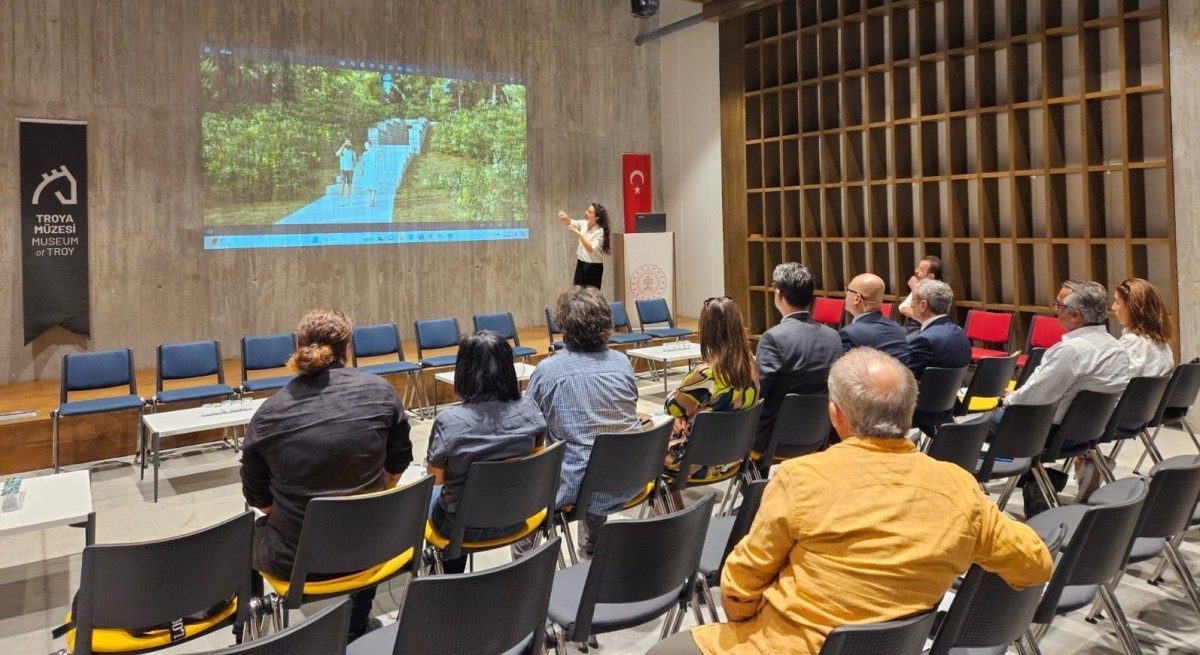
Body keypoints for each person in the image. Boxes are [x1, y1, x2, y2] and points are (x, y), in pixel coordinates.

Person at [648, 348, 1053, 655]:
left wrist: (749, 620)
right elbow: (1035, 564)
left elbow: (740, 581)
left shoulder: (801, 478)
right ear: (909, 413)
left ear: (836, 415)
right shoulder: (960, 487)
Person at [240, 308, 412, 642]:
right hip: (377, 546)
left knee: (246, 535)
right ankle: (356, 627)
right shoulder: (382, 392)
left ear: (299, 347)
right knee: (365, 513)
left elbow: (260, 501)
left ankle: (255, 641)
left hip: (298, 561)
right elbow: (394, 472)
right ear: (349, 350)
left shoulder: (268, 413)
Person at [514, 286, 641, 560]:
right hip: (631, 476)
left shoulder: (548, 370)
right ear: (606, 322)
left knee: (525, 485)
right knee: (598, 446)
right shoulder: (623, 362)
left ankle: (523, 566)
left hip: (576, 486)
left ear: (563, 325)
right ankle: (592, 550)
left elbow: (527, 422)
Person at [997, 281, 1131, 514]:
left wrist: (1008, 400)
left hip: (1052, 435)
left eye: (1058, 305)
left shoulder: (1071, 351)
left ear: (1075, 315)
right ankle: (1039, 489)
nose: (1054, 309)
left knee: (970, 429)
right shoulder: (1116, 348)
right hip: (1090, 433)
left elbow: (1036, 397)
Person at [425, 331, 546, 574]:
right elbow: (536, 461)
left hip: (462, 528)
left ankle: (446, 581)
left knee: (423, 495)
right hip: (518, 518)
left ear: (464, 371)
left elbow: (435, 480)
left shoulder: (449, 421)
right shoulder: (531, 410)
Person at [663, 297, 760, 482]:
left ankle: (675, 510)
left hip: (698, 462)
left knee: (647, 455)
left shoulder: (706, 374)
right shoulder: (752, 366)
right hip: (735, 456)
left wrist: (683, 412)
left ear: (708, 330)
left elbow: (671, 407)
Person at [753, 263, 842, 452]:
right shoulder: (833, 336)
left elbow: (759, 391)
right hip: (820, 435)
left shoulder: (773, 338)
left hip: (774, 438)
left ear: (778, 294)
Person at [906, 279, 972, 436]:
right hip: (947, 406)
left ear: (923, 305)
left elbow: (903, 375)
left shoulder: (926, 340)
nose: (910, 305)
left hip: (924, 409)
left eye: (913, 300)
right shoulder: (958, 332)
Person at [839, 273, 910, 364]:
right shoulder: (896, 328)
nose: (846, 294)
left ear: (857, 298)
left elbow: (843, 371)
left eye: (847, 290)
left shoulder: (848, 334)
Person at [1112, 278, 1173, 377]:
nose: (1113, 307)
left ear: (1133, 308)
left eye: (1117, 302)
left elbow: (1116, 379)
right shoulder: (1161, 342)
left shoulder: (1133, 341)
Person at [558, 204, 611, 288]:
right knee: (577, 290)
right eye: (587, 210)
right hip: (581, 262)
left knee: (591, 294)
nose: (586, 213)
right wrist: (566, 218)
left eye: (590, 212)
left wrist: (579, 233)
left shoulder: (600, 231)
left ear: (597, 217)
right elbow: (571, 222)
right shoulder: (584, 223)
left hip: (593, 267)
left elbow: (591, 248)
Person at [898, 255, 943, 332]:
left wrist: (914, 289)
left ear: (931, 276)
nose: (916, 271)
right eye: (918, 267)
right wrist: (916, 315)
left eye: (921, 270)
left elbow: (925, 317)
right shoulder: (919, 285)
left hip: (927, 329)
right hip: (912, 327)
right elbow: (903, 307)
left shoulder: (939, 292)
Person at [355, 139, 380, 207]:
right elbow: (363, 162)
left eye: (367, 145)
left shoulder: (374, 152)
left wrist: (377, 170)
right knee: (368, 185)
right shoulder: (364, 153)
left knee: (373, 185)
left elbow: (377, 162)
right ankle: (371, 198)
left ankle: (372, 199)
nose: (366, 146)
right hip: (367, 170)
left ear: (370, 145)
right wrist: (362, 169)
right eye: (365, 145)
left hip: (373, 170)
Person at [336, 139, 356, 206]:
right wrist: (342, 146)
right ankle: (341, 200)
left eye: (349, 142)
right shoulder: (342, 151)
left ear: (351, 144)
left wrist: (353, 167)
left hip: (350, 170)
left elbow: (355, 161)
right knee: (342, 184)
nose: (348, 143)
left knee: (349, 185)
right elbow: (337, 154)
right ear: (344, 143)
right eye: (346, 142)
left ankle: (348, 200)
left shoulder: (353, 152)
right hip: (343, 170)